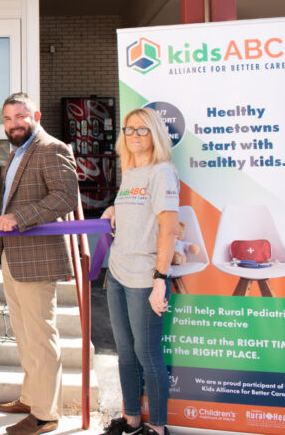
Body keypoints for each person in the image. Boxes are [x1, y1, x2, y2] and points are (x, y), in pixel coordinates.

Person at [0, 93, 78, 435]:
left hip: (38, 257)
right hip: (13, 256)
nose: (14, 123)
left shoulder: (51, 147)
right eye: (8, 118)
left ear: (36, 115)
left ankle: (45, 415)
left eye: (20, 116)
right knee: (26, 336)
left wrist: (19, 216)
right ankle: (33, 397)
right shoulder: (17, 152)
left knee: (41, 336)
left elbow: (65, 196)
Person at [99, 108, 178, 435]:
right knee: (125, 354)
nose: (133, 135)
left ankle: (157, 429)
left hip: (145, 277)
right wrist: (115, 207)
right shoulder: (131, 171)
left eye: (142, 130)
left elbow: (169, 228)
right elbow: (137, 210)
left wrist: (160, 280)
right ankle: (131, 422)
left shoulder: (162, 172)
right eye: (129, 130)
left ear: (155, 134)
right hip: (117, 272)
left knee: (148, 355)